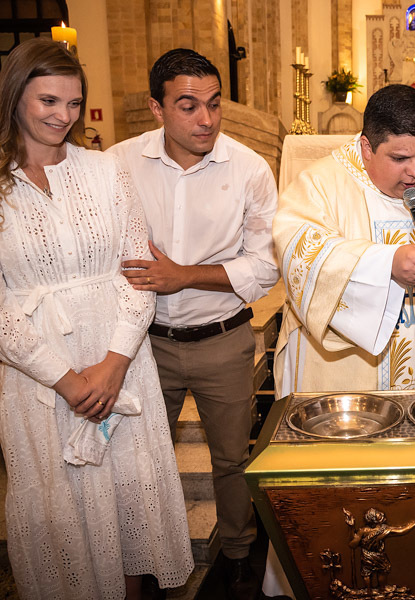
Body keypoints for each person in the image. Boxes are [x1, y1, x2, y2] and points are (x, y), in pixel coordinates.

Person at [263, 83, 415, 597]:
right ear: (366, 145)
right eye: (399, 158)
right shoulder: (317, 185)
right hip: (341, 384)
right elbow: (299, 252)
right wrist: (385, 264)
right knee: (340, 513)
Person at [0, 38, 193, 599]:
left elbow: (138, 270)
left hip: (120, 358)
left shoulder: (105, 170)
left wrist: (112, 366)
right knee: (60, 512)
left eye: (74, 103)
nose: (63, 116)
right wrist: (66, 378)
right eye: (48, 101)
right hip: (38, 377)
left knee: (126, 498)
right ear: (15, 98)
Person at [107, 49, 282, 600]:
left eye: (213, 104)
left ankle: (235, 557)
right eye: (188, 106)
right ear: (156, 109)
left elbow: (265, 264)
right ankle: (151, 558)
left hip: (222, 338)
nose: (206, 119)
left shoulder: (250, 168)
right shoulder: (116, 164)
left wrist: (183, 276)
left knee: (232, 460)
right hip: (140, 344)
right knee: (140, 461)